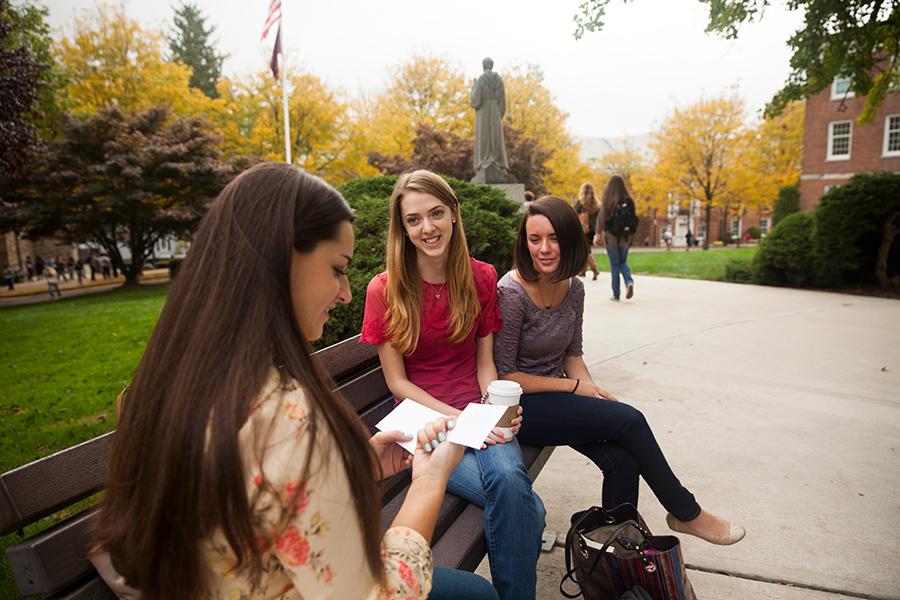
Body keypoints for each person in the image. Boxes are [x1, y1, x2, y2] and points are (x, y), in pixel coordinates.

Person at [92, 162, 497, 599]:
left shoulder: (170, 382)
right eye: (338, 268)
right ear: (281, 263)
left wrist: (356, 467)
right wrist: (429, 482)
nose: (345, 292)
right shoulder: (287, 417)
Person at [495, 195, 746, 547]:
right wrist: (574, 389)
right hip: (520, 408)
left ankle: (617, 551)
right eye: (535, 240)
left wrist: (592, 394)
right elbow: (505, 375)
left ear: (569, 238)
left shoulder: (574, 288)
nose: (545, 249)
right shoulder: (512, 291)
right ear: (525, 242)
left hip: (557, 398)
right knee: (630, 420)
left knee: (623, 459)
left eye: (554, 238)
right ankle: (686, 512)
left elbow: (572, 354)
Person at [360, 170, 545, 600]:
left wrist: (490, 411)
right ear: (402, 229)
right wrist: (456, 417)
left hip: (475, 412)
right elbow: (397, 382)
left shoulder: (480, 278)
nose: (427, 228)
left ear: (454, 215)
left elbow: (485, 365)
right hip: (422, 425)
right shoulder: (384, 289)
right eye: (414, 219)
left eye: (436, 213)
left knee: (509, 477)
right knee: (525, 505)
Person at [593, 176, 635, 301]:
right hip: (625, 237)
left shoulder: (607, 200)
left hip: (610, 238)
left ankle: (616, 294)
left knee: (614, 265)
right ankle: (629, 281)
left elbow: (601, 218)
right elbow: (633, 220)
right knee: (623, 262)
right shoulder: (629, 201)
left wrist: (598, 233)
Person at [574, 183, 601, 281]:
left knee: (586, 251)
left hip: (584, 229)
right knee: (586, 249)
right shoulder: (596, 204)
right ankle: (583, 271)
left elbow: (577, 214)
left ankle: (595, 269)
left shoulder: (581, 203)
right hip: (594, 230)